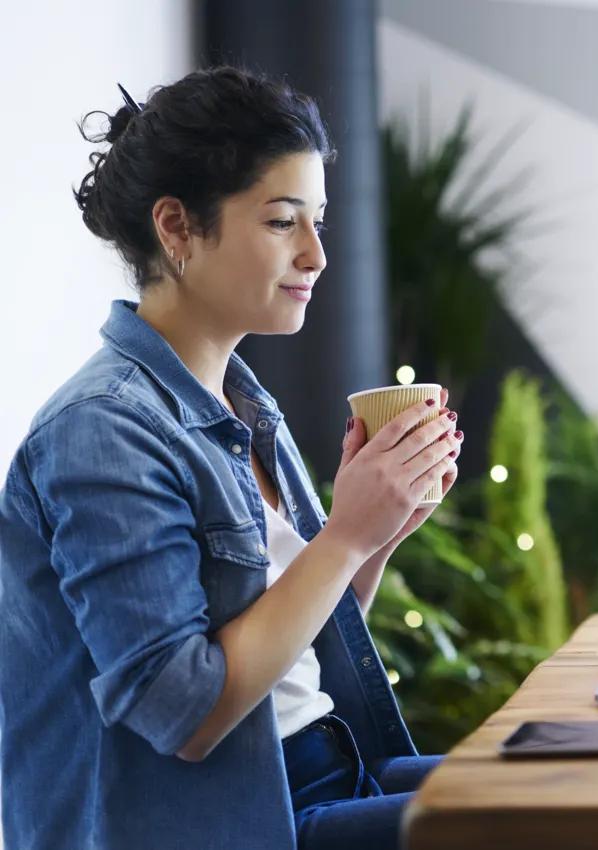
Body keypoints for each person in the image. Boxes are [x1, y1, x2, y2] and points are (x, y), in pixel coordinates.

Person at [0, 66, 463, 850]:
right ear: (177, 228)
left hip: (319, 767)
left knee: (569, 796)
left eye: (319, 220)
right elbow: (187, 712)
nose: (317, 255)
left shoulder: (241, 406)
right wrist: (345, 535)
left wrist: (380, 529)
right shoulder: (102, 433)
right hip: (232, 817)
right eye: (284, 222)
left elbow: (292, 648)